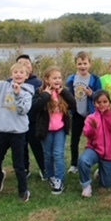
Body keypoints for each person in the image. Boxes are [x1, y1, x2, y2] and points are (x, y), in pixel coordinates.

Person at [0, 63, 34, 202]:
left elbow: (23, 110)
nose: (18, 74)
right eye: (15, 72)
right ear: (11, 75)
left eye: (21, 72)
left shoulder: (27, 93)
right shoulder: (2, 86)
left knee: (18, 164)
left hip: (18, 133)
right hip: (1, 131)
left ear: (26, 76)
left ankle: (23, 190)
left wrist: (17, 94)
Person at [32, 66, 76, 195]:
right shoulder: (40, 92)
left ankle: (59, 180)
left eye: (59, 78)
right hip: (46, 130)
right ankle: (50, 175)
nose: (57, 80)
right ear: (47, 79)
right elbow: (36, 108)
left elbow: (73, 105)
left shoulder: (64, 92)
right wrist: (46, 95)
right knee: (48, 154)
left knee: (58, 154)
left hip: (60, 130)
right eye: (54, 78)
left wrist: (64, 93)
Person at [78, 90, 111, 197]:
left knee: (107, 186)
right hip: (95, 149)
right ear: (94, 104)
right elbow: (87, 134)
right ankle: (86, 185)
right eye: (99, 102)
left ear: (109, 103)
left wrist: (107, 114)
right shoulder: (91, 118)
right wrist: (92, 128)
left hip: (110, 154)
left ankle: (101, 172)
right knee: (83, 160)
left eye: (105, 102)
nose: (102, 105)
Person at [66, 51, 101, 174]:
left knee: (94, 139)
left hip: (91, 115)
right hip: (77, 114)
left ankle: (97, 162)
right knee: (74, 140)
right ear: (76, 65)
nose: (82, 66)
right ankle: (74, 164)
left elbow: (100, 95)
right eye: (80, 64)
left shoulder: (95, 79)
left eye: (85, 63)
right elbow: (67, 95)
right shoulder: (71, 79)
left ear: (90, 64)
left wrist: (92, 94)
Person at [14, 54, 45, 179]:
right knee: (21, 147)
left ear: (31, 66)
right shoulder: (11, 82)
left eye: (27, 63)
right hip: (17, 121)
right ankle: (25, 169)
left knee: (37, 145)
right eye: (20, 63)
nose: (24, 65)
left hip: (33, 120)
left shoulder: (37, 82)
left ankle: (43, 168)